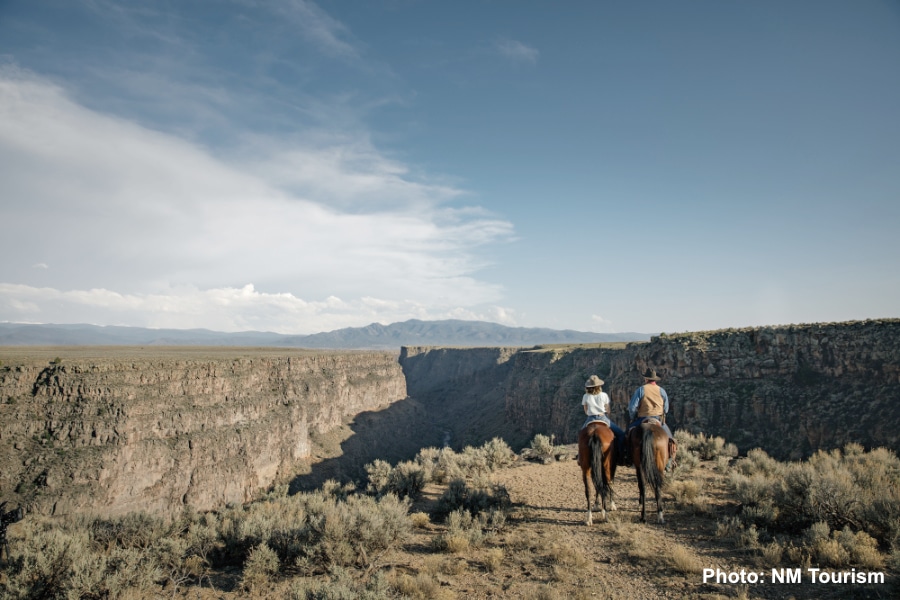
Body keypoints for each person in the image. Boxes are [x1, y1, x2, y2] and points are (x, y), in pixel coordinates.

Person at [627, 367, 676, 468]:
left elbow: (632, 407)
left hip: (642, 418)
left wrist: (633, 417)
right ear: (655, 380)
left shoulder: (641, 390)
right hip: (658, 419)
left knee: (626, 435)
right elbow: (666, 409)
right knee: (670, 440)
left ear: (646, 379)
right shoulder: (662, 391)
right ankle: (669, 463)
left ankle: (629, 458)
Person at [579, 375, 626, 460]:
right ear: (599, 386)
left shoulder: (585, 396)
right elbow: (607, 408)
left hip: (590, 418)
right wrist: (607, 412)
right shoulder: (604, 395)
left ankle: (580, 457)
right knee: (621, 434)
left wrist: (589, 413)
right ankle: (621, 455)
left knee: (581, 436)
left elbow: (585, 409)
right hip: (603, 418)